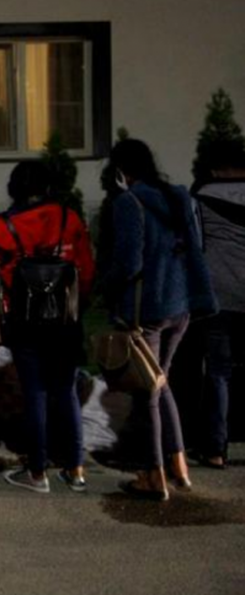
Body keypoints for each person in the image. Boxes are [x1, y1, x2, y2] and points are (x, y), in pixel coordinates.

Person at [106, 139, 216, 499]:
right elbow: (195, 247)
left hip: (147, 310)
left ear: (121, 170)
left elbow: (129, 263)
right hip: (181, 304)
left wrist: (106, 286)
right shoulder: (178, 196)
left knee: (146, 393)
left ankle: (153, 476)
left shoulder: (129, 203)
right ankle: (179, 466)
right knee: (160, 382)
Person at [0, 161, 95, 493]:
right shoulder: (69, 219)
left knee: (35, 394)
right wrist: (78, 307)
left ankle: (37, 472)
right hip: (66, 320)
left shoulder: (0, 228)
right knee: (66, 390)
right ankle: (75, 469)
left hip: (25, 323)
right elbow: (87, 271)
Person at [192, 143, 245, 468]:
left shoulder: (200, 198)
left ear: (215, 168)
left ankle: (215, 448)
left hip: (218, 294)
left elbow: (195, 244)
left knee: (218, 372)